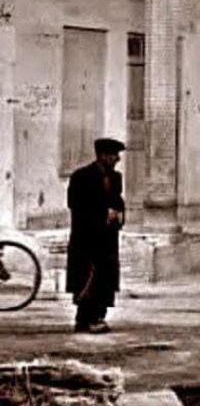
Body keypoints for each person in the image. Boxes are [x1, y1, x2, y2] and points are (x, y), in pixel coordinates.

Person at [66, 138, 126, 334]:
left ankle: (98, 316)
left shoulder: (115, 178)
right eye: (113, 155)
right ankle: (86, 319)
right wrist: (101, 216)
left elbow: (117, 202)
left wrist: (118, 216)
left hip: (108, 238)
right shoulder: (81, 177)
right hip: (87, 237)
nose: (117, 159)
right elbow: (76, 205)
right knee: (87, 278)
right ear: (102, 155)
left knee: (105, 279)